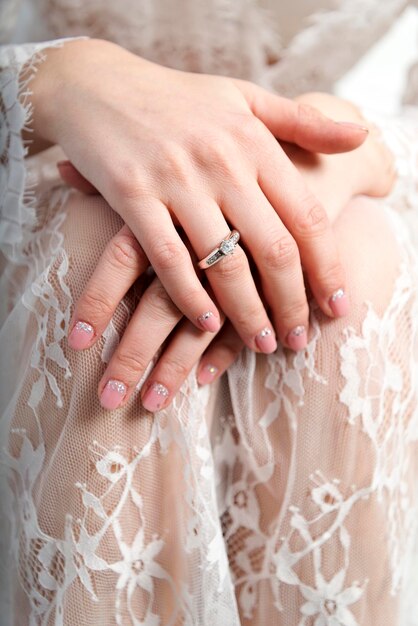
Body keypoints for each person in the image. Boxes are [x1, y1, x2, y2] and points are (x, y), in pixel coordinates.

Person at [0, 1, 417, 624]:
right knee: (96, 273)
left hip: (334, 176)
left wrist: (352, 144)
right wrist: (59, 79)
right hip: (76, 154)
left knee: (344, 284)